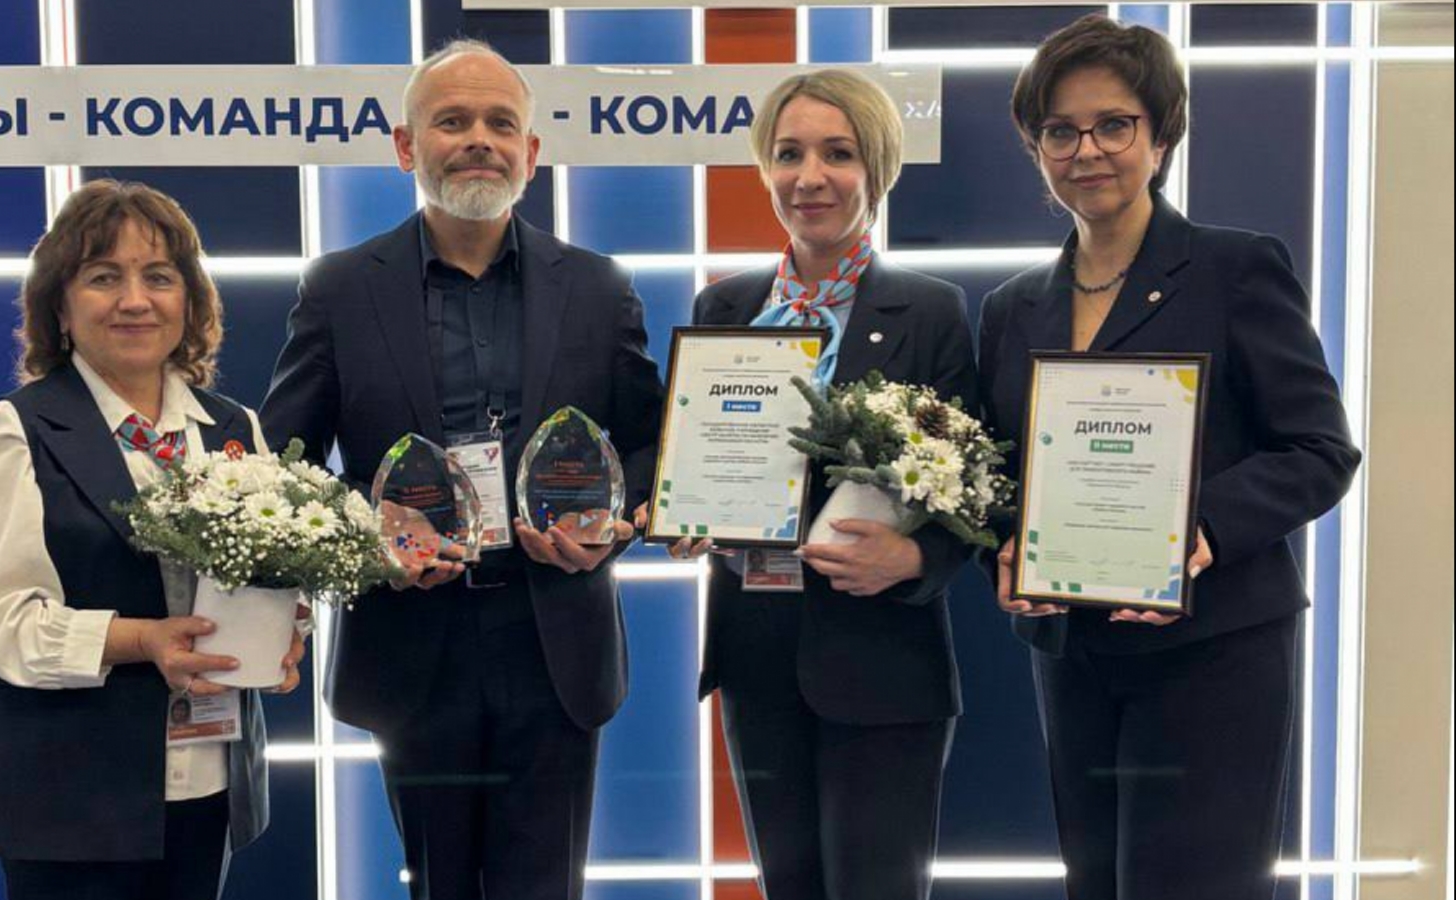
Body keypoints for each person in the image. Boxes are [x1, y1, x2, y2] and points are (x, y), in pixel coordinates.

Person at [259, 40, 665, 900]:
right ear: (406, 148)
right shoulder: (339, 289)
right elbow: (286, 466)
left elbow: (649, 446)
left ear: (531, 153)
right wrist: (369, 533)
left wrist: (613, 523)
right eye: (452, 121)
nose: (479, 138)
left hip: (553, 639)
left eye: (500, 123)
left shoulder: (600, 289)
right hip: (413, 643)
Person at [977, 16, 1362, 900]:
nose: (1087, 151)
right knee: (1097, 883)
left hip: (1214, 653)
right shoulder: (1012, 306)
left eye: (1114, 125)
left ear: (1160, 137)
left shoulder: (1235, 269)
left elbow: (1318, 447)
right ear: (1036, 148)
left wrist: (1201, 529)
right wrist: (1003, 543)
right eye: (1061, 131)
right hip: (1073, 655)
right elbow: (999, 472)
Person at [0, 179, 307, 900]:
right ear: (60, 307)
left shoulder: (233, 429)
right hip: (67, 801)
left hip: (206, 786)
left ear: (190, 301)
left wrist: (285, 632)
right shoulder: (13, 431)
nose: (135, 300)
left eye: (159, 277)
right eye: (104, 277)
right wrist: (142, 641)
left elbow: (270, 573)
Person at [664, 69, 978, 900]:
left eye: (838, 154)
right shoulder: (724, 307)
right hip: (758, 656)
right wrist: (680, 510)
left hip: (885, 664)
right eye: (789, 154)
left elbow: (980, 486)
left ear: (877, 168)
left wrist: (916, 560)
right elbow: (688, 456)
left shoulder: (931, 310)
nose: (810, 177)